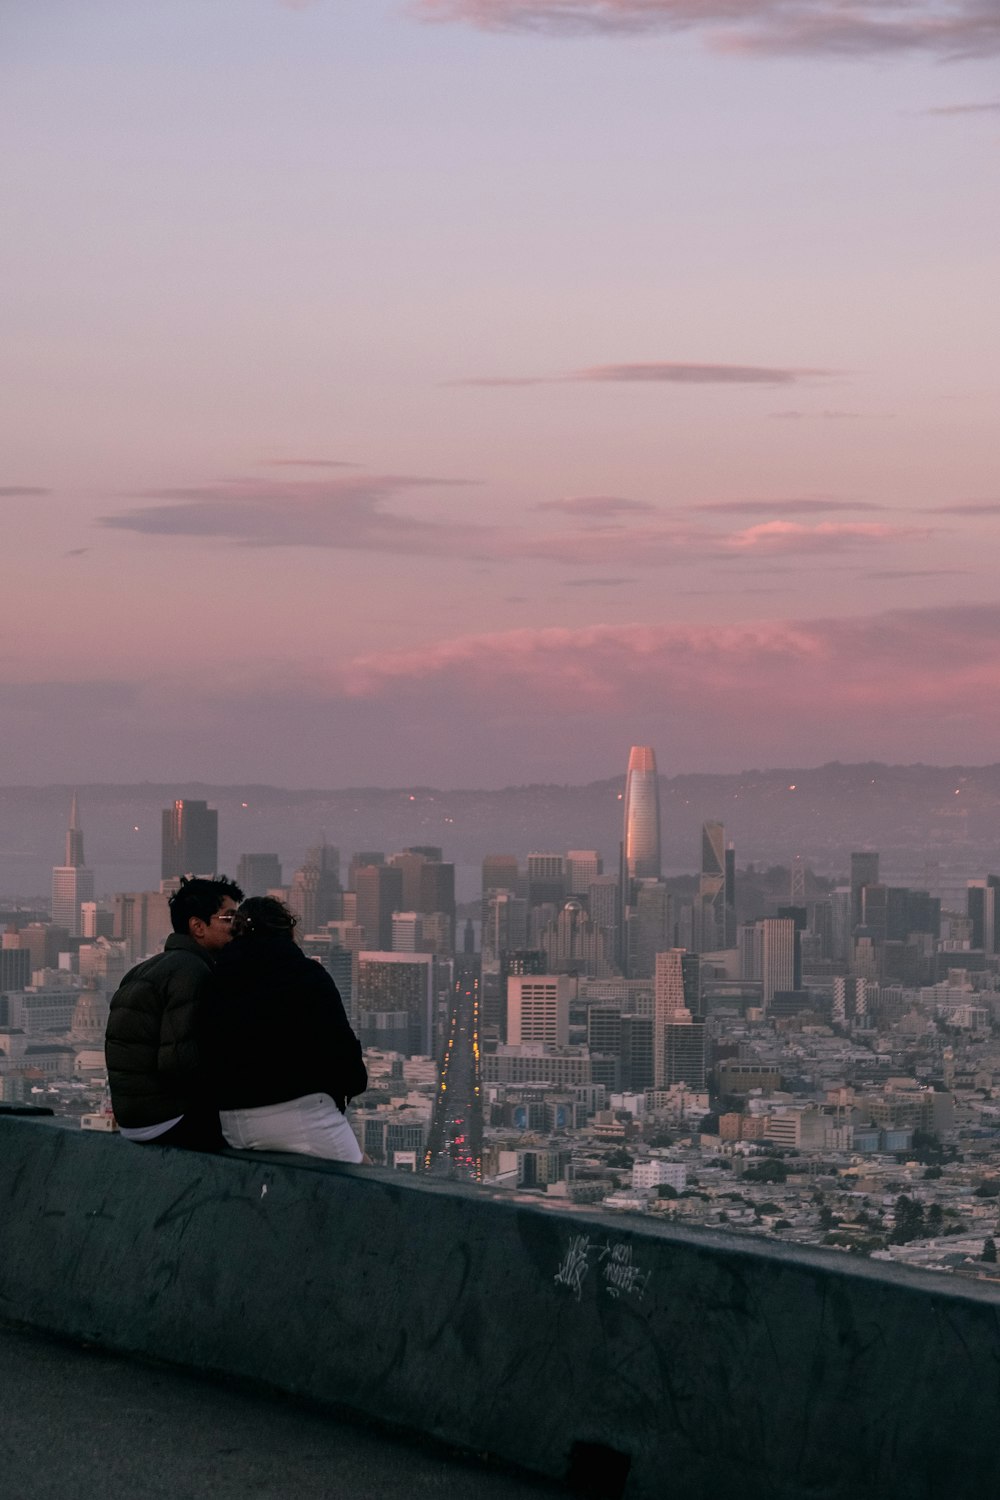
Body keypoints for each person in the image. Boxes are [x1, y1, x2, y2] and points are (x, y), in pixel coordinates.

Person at [206, 896, 368, 1162]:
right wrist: (351, 1085)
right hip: (301, 1116)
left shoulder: (216, 978)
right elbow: (341, 1050)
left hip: (232, 1124)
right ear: (289, 932)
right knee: (363, 1183)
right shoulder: (307, 976)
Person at [105, 875, 243, 1150]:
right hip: (168, 1120)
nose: (236, 928)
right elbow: (179, 1062)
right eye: (228, 919)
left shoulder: (147, 968)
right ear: (198, 926)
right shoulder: (191, 971)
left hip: (134, 1121)